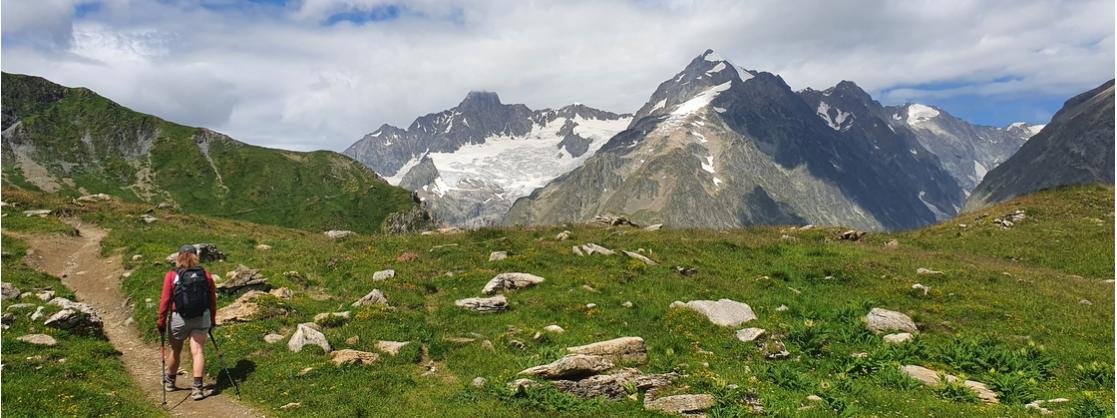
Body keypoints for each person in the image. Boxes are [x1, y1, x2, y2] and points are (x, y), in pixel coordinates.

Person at [157, 244, 218, 400]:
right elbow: (212, 300)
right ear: (196, 256)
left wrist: (162, 321)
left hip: (179, 318)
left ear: (179, 256)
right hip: (201, 317)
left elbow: (165, 301)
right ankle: (197, 388)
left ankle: (170, 382)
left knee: (176, 350)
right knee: (197, 351)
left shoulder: (172, 275)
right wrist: (212, 319)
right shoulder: (205, 274)